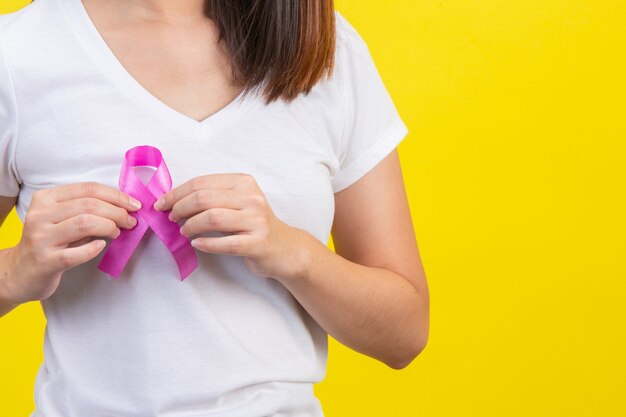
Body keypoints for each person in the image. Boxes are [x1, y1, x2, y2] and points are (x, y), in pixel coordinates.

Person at [0, 0, 430, 415]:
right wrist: (16, 271)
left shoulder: (324, 51)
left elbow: (404, 334)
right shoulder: (17, 55)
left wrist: (292, 253)